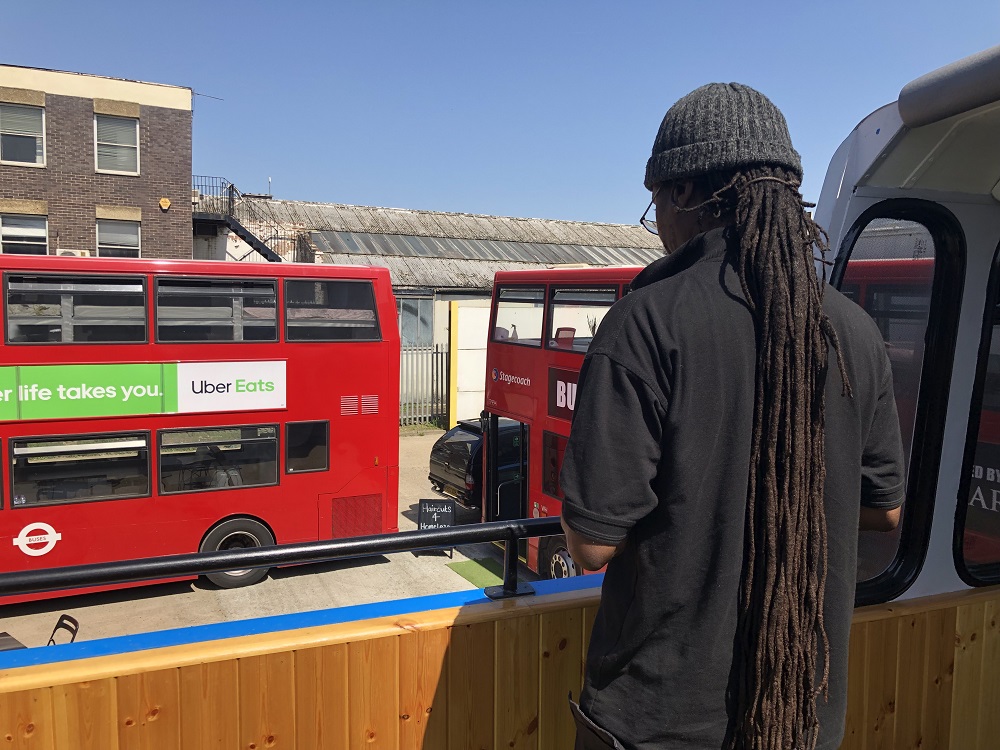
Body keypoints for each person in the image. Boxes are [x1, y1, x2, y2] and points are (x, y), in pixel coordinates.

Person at [559, 83, 905, 750]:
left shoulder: (645, 323)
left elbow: (592, 543)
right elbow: (884, 509)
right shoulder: (855, 331)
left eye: (655, 200)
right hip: (801, 720)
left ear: (686, 194)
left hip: (658, 728)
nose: (657, 221)